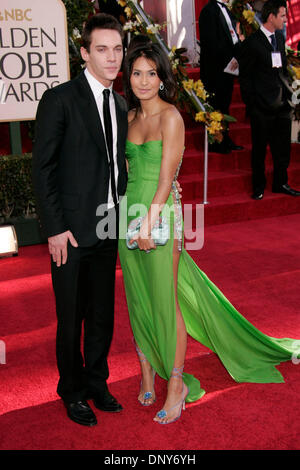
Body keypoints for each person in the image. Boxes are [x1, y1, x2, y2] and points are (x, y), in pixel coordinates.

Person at [118, 39, 299, 425]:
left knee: (166, 300)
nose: (144, 80)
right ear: (128, 75)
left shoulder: (170, 117)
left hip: (159, 215)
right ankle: (147, 371)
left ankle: (176, 385)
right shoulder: (129, 117)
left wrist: (149, 222)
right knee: (137, 298)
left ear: (162, 77)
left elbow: (167, 178)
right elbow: (128, 174)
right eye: (137, 73)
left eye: (152, 73)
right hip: (127, 214)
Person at [32, 13, 128, 426]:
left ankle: (96, 382)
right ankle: (71, 391)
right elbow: (44, 169)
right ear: (85, 52)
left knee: (102, 315)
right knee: (71, 318)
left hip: (108, 226)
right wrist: (54, 227)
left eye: (117, 49)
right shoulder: (60, 99)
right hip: (69, 232)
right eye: (102, 49)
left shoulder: (120, 103)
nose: (112, 58)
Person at [238, 0, 300, 200]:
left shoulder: (280, 40)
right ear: (271, 17)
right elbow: (245, 76)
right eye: (282, 16)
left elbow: (281, 70)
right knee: (259, 149)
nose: (285, 20)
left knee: (282, 148)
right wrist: (252, 103)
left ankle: (281, 183)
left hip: (282, 103)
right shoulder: (253, 42)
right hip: (261, 107)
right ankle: (259, 186)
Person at [198, 0, 244, 154]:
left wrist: (237, 56)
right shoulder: (208, 11)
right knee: (215, 104)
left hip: (229, 68)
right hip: (215, 69)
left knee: (225, 104)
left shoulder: (227, 11)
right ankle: (216, 141)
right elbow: (210, 43)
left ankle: (225, 137)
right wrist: (228, 60)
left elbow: (233, 38)